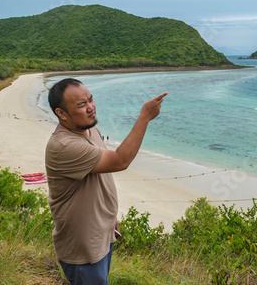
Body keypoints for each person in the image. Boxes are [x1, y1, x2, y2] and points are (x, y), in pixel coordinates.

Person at [44, 78, 167, 285]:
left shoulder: (90, 131)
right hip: (83, 247)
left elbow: (100, 176)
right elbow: (121, 160)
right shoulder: (64, 146)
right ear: (61, 114)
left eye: (90, 100)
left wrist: (110, 217)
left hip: (102, 232)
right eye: (81, 105)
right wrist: (144, 117)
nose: (91, 108)